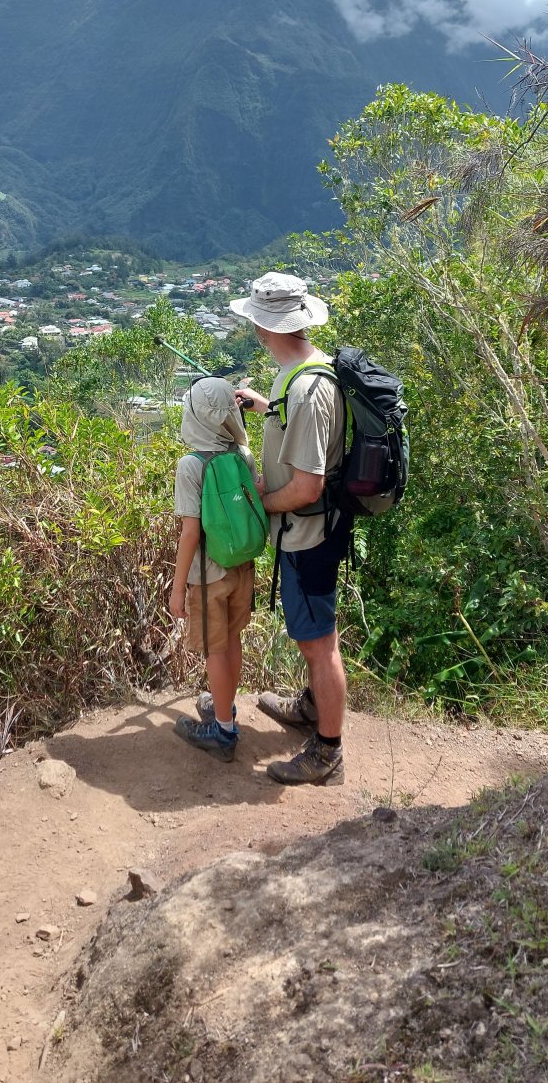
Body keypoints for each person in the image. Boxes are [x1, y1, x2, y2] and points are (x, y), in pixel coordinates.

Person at [228, 271, 351, 786]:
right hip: (307, 532)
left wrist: (259, 503)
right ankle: (312, 707)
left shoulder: (305, 392)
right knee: (313, 638)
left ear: (264, 327)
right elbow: (298, 427)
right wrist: (264, 406)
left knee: (319, 643)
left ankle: (327, 753)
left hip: (308, 536)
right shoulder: (300, 372)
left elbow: (306, 487)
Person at [169, 377, 259, 764]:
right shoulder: (242, 455)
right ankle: (226, 707)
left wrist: (177, 589)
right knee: (232, 639)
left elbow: (190, 533)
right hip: (242, 565)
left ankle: (223, 731)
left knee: (215, 649)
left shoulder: (191, 465)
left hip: (208, 576)